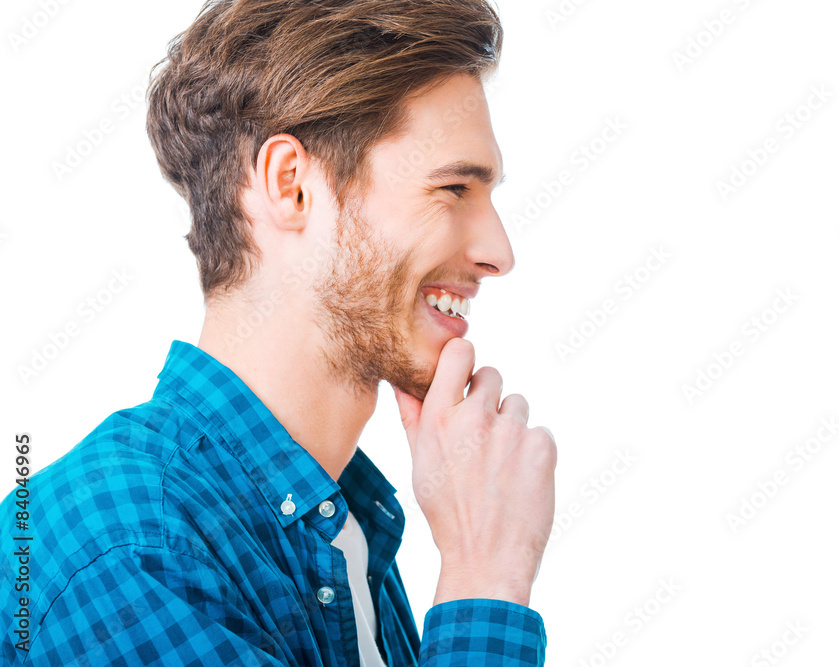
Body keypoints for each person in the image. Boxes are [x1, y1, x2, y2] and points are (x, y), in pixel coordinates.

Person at [0, 0, 557, 664]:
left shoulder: (340, 536)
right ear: (290, 185)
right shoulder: (126, 546)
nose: (500, 252)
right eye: (455, 189)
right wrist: (484, 573)